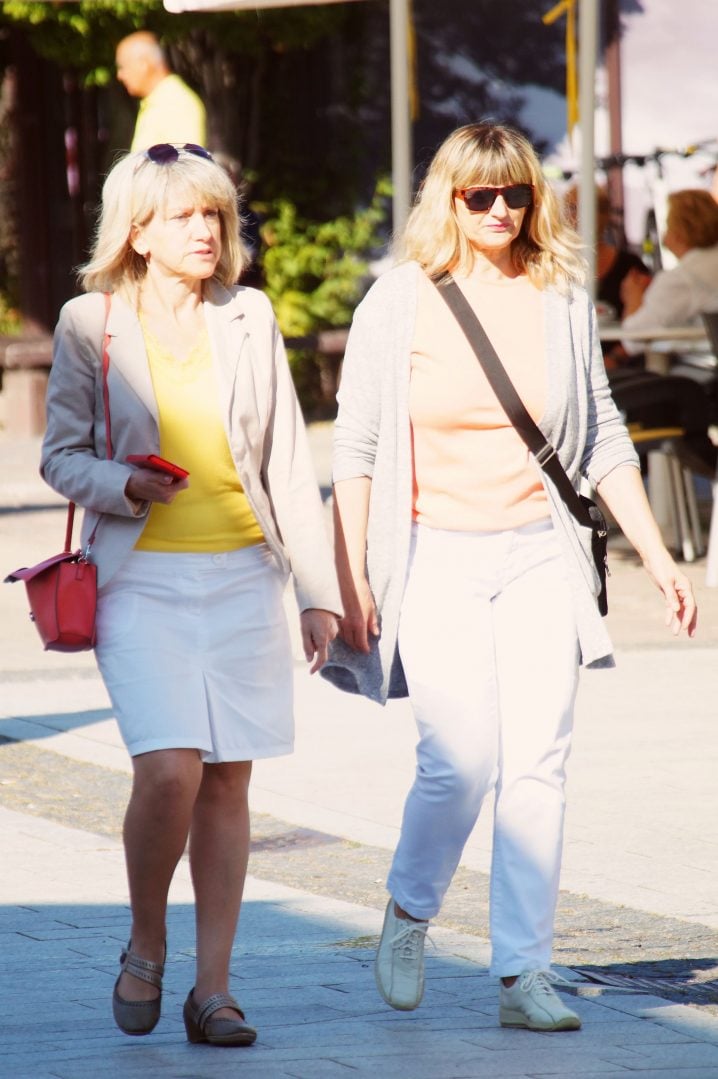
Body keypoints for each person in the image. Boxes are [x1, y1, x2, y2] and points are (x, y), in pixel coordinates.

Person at [322, 122, 697, 1034]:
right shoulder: (398, 301)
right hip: (435, 552)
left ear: (535, 197)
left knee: (538, 763)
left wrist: (660, 558)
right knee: (460, 760)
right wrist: (350, 578)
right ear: (448, 199)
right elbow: (357, 448)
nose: (499, 209)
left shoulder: (560, 295)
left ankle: (524, 969)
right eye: (479, 195)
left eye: (515, 193)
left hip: (538, 552)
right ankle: (410, 908)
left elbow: (602, 435)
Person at [41, 144, 340, 1046]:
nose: (205, 230)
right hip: (142, 580)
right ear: (138, 232)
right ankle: (146, 937)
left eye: (215, 213)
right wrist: (124, 483)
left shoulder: (248, 314)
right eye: (183, 216)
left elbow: (287, 461)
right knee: (170, 768)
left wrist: (317, 590)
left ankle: (214, 989)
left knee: (228, 781)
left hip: (245, 575)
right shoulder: (90, 322)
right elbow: (60, 456)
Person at [563, 183, 651, 368]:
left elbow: (648, 322)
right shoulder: (555, 266)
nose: (577, 216)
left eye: (586, 208)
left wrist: (614, 359)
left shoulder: (630, 266)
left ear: (605, 214)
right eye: (571, 208)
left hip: (623, 369)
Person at [621, 188, 718, 350]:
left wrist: (633, 297)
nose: (664, 234)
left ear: (679, 232)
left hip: (699, 363)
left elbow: (633, 340)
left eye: (667, 224)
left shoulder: (681, 279)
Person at [116, 31, 206, 152]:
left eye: (123, 67)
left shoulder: (175, 103)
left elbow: (184, 161)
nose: (120, 75)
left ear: (143, 64)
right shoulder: (158, 101)